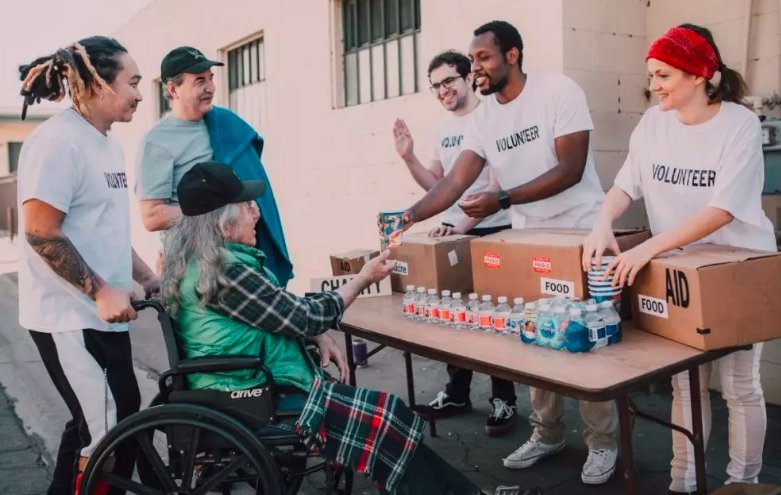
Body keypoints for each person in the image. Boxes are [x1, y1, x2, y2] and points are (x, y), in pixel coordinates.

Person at [160, 161, 539, 495]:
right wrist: (360, 279)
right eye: (246, 206)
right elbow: (302, 315)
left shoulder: (204, 264)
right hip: (253, 394)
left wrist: (315, 332)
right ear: (223, 223)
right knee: (386, 417)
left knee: (388, 420)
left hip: (247, 383)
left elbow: (281, 313)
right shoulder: (226, 273)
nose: (256, 212)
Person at [401, 20, 618, 485]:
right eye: (473, 58)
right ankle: (547, 433)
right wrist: (411, 214)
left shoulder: (559, 91)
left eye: (483, 58)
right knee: (538, 339)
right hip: (528, 239)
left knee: (586, 342)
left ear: (512, 56)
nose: (475, 67)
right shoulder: (484, 118)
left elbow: (572, 168)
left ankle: (603, 444)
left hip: (579, 232)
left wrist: (502, 199)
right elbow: (455, 182)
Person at [582, 24, 774, 495]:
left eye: (664, 74)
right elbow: (627, 184)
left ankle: (741, 483)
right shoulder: (653, 123)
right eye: (651, 74)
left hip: (737, 269)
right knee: (685, 384)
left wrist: (648, 247)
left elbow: (723, 209)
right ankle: (683, 482)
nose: (655, 85)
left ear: (700, 74)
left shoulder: (739, 125)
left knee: (738, 385)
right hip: (680, 269)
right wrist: (601, 223)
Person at [16, 36, 159, 495]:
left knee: (112, 418)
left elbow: (104, 229)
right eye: (132, 82)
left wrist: (145, 276)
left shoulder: (107, 145)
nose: (139, 93)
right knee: (108, 426)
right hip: (67, 316)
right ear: (97, 83)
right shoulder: (57, 143)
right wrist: (100, 291)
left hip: (105, 315)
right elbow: (40, 231)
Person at [393, 50, 514, 435]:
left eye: (448, 81)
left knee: (495, 320)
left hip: (492, 231)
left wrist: (461, 224)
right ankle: (458, 392)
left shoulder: (491, 118)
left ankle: (504, 398)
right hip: (453, 234)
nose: (443, 90)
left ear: (467, 79)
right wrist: (409, 158)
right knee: (453, 319)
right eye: (436, 86)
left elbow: (497, 185)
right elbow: (439, 186)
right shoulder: (442, 129)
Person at [136, 46, 293, 286]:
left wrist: (242, 208)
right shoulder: (157, 141)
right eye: (200, 80)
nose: (210, 87)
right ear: (173, 89)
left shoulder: (226, 123)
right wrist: (218, 209)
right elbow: (151, 217)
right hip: (193, 266)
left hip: (241, 259)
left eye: (211, 78)